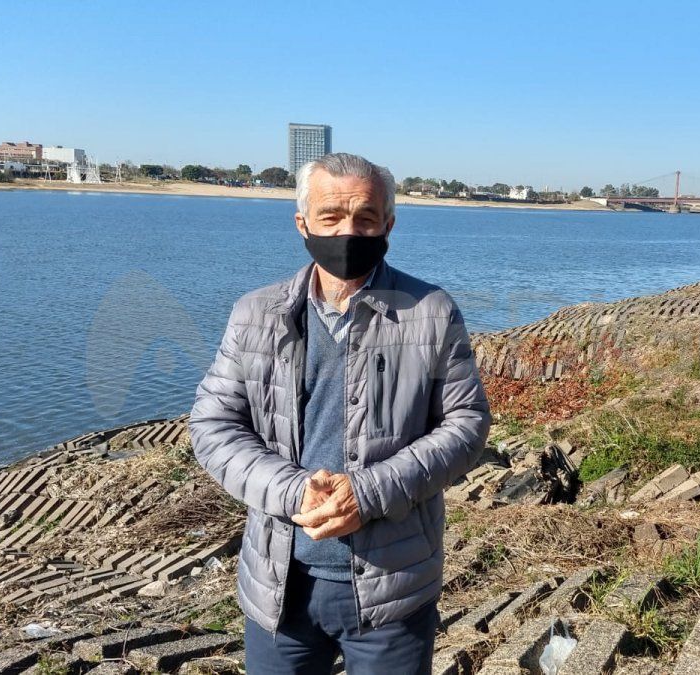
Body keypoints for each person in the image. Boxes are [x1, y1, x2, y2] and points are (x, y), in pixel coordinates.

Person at [189, 153, 492, 674]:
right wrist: (290, 489)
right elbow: (213, 425)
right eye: (331, 217)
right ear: (302, 223)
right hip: (279, 585)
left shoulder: (430, 312)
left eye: (366, 218)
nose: (348, 231)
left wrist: (368, 492)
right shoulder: (255, 314)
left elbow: (466, 426)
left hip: (392, 586)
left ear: (388, 225)